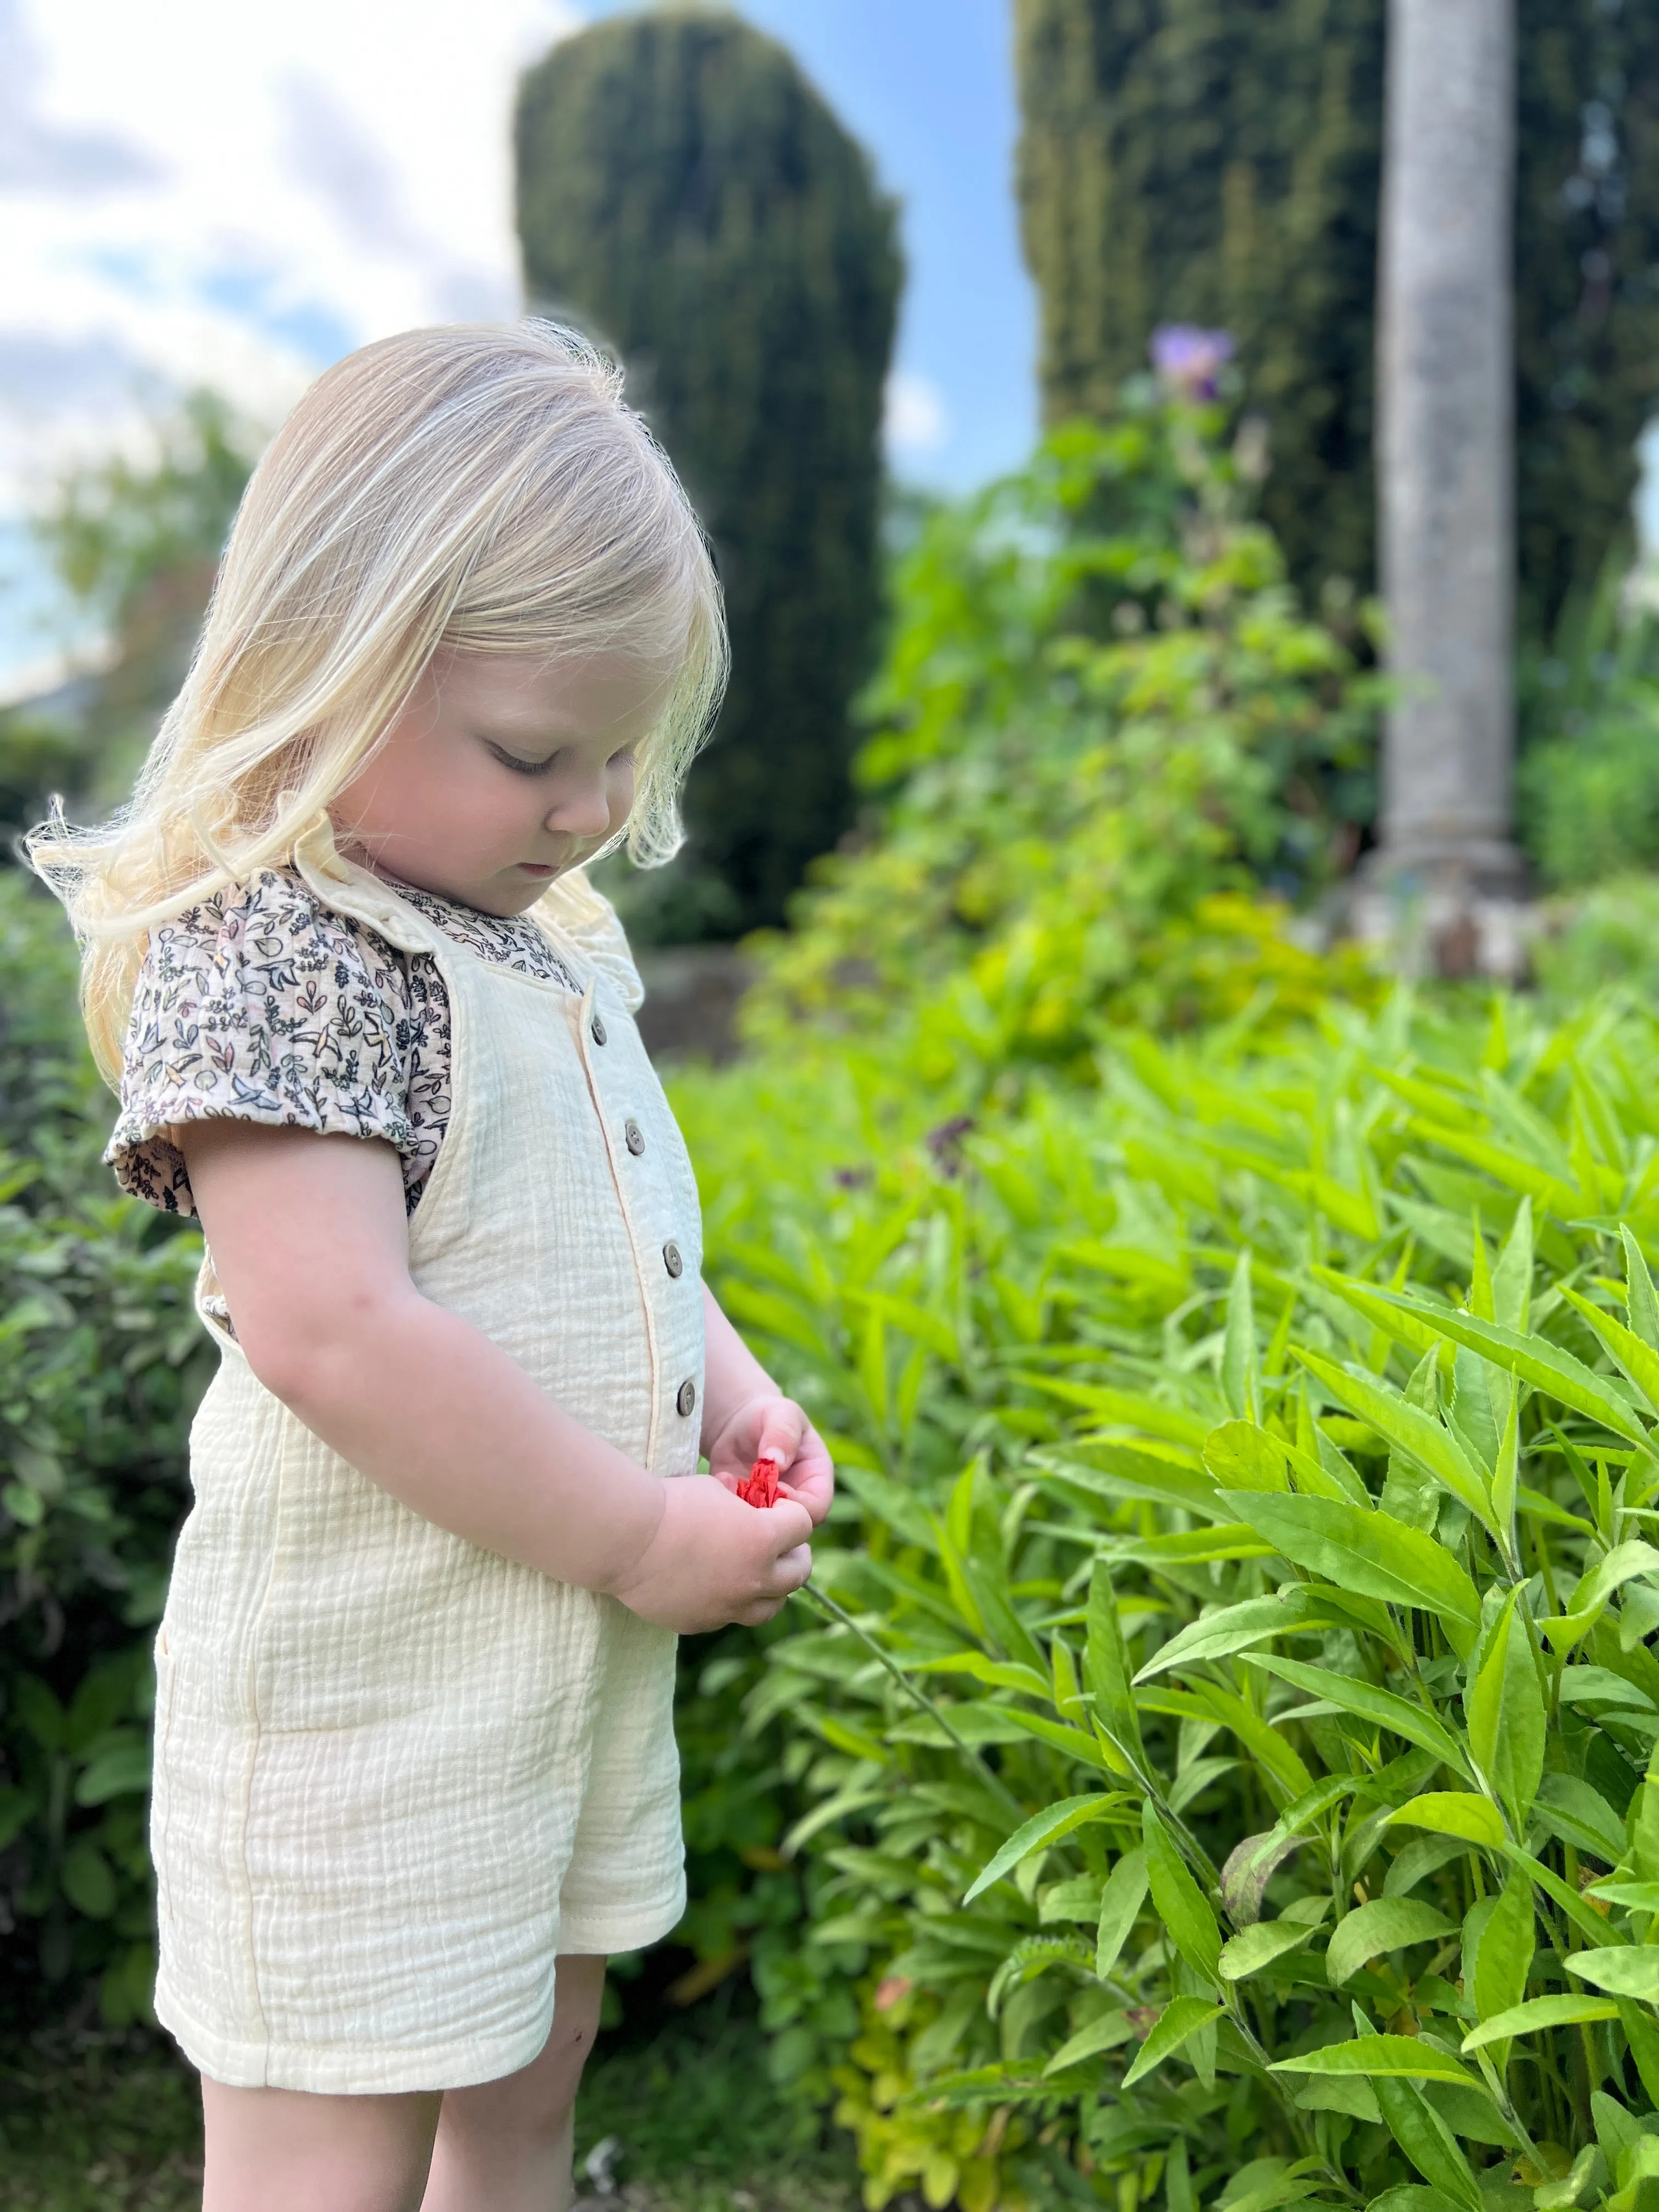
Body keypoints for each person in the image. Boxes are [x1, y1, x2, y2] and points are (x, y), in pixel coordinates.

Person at [29, 322, 832, 2212]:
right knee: (334, 2153)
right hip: (355, 1728)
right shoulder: (286, 933)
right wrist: (642, 1538)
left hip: (549, 1700)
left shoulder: (552, 939)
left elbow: (623, 1228)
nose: (591, 806)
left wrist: (726, 1389)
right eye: (537, 752)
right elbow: (331, 1323)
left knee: (526, 2093)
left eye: (624, 750)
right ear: (327, 665)